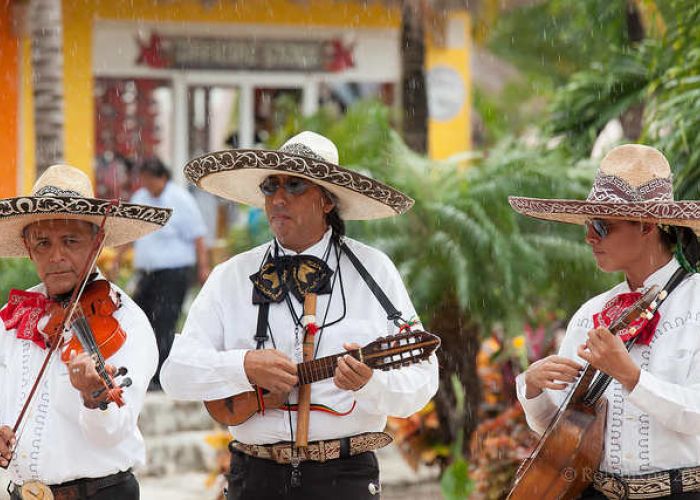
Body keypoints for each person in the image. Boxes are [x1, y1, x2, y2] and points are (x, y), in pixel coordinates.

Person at [161, 131, 439, 499]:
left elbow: (423, 380)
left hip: (345, 476)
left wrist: (370, 384)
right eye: (269, 187)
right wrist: (242, 366)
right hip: (253, 476)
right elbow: (175, 374)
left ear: (327, 201)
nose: (277, 199)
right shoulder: (231, 275)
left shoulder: (374, 271)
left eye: (294, 186)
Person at [509, 144, 700, 499]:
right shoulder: (590, 313)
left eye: (601, 225)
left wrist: (631, 375)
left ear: (646, 225)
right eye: (588, 225)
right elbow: (564, 430)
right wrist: (533, 391)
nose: (589, 237)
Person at [0, 164, 171, 499]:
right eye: (43, 243)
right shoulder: (12, 318)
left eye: (70, 241)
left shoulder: (127, 322)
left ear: (97, 242)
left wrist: (95, 397)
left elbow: (113, 433)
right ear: (27, 246)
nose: (56, 256)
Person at [115, 157, 210, 391]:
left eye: (149, 178)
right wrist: (116, 259)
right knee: (140, 320)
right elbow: (132, 233)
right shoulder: (140, 199)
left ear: (162, 177)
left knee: (165, 321)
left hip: (174, 272)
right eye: (143, 178)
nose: (145, 182)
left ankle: (161, 377)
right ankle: (143, 371)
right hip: (147, 274)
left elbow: (198, 236)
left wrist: (203, 267)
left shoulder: (180, 199)